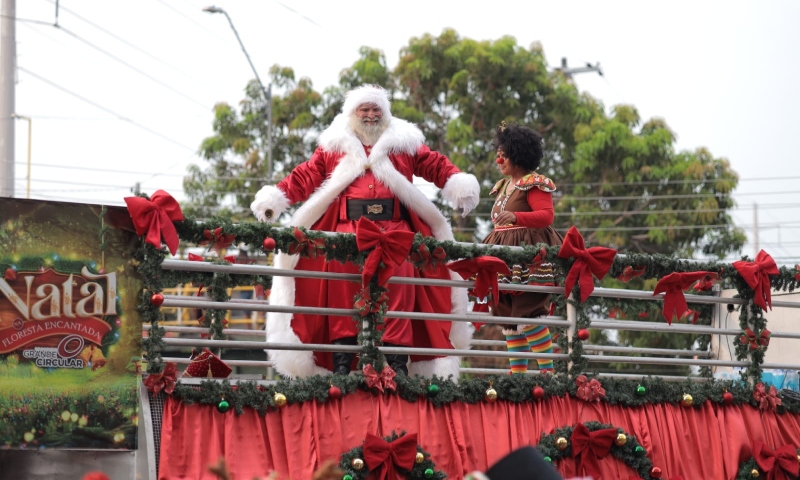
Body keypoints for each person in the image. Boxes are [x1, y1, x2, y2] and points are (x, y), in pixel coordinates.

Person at [250, 85, 480, 378]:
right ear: (353, 113)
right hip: (346, 232)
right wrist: (276, 196)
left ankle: (396, 363)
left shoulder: (403, 142)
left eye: (376, 110)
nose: (370, 116)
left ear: (385, 113)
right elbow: (306, 175)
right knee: (342, 292)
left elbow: (433, 163)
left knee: (399, 291)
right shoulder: (335, 144)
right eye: (364, 110)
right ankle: (342, 360)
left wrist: (456, 182)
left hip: (396, 230)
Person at [483, 122, 562, 374]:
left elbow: (546, 216)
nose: (499, 160)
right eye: (499, 153)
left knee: (528, 315)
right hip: (504, 259)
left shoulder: (534, 183)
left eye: (504, 155)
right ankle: (517, 380)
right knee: (509, 319)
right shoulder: (503, 186)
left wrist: (518, 218)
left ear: (519, 155)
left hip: (528, 258)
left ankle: (547, 376)